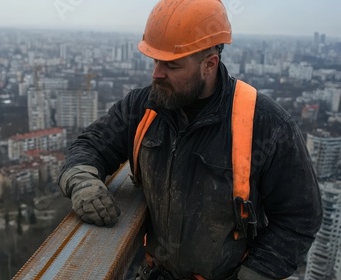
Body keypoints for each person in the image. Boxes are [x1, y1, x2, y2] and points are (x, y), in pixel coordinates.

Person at [57, 0, 323, 279]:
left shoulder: (266, 126)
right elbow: (90, 145)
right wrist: (82, 183)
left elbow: (300, 216)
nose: (156, 74)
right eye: (155, 60)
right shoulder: (143, 108)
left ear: (209, 65)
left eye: (171, 65)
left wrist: (256, 273)